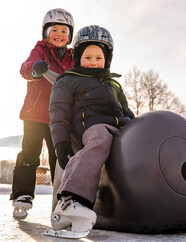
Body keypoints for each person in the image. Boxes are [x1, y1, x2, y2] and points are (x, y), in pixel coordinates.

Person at [47, 25, 135, 237]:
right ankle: (71, 201)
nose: (94, 62)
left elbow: (126, 110)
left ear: (107, 60)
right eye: (88, 57)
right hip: (89, 130)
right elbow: (58, 113)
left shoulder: (113, 84)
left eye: (99, 57)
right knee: (101, 137)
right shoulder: (68, 80)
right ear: (78, 58)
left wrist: (137, 126)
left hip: (117, 128)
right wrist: (60, 142)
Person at [11, 8, 74, 220]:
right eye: (54, 29)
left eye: (64, 31)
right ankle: (22, 194)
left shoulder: (73, 56)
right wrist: (34, 69)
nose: (59, 34)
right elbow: (25, 68)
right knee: (30, 153)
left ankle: (64, 196)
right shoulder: (40, 50)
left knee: (60, 157)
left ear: (70, 35)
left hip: (60, 117)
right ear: (46, 32)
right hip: (35, 115)